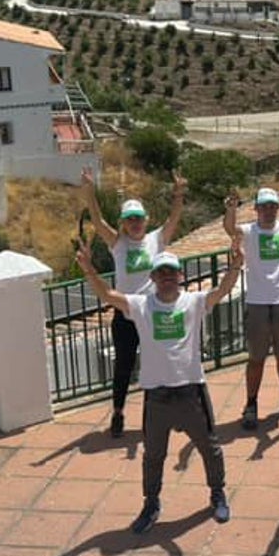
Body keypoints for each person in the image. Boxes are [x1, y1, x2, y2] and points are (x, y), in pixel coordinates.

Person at [75, 238, 242, 534]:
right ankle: (151, 504)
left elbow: (223, 290)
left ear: (180, 276)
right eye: (161, 272)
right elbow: (108, 294)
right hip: (157, 398)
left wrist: (237, 264)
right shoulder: (141, 305)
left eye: (171, 272)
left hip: (191, 392)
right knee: (153, 456)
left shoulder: (194, 301)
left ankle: (217, 493)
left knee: (210, 448)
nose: (166, 277)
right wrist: (89, 269)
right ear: (152, 278)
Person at [80, 166, 185, 437]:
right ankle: (118, 413)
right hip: (126, 315)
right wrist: (90, 191)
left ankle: (158, 415)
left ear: (146, 220)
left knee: (158, 365)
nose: (135, 223)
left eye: (138, 218)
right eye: (130, 219)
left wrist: (178, 193)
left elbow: (175, 218)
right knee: (123, 367)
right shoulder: (118, 243)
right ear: (123, 223)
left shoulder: (155, 240)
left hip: (151, 314)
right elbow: (97, 218)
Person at [224, 187, 279, 430]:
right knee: (256, 358)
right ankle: (251, 404)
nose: (267, 210)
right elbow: (231, 229)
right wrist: (231, 209)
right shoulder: (249, 231)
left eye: (272, 206)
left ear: (277, 208)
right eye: (263, 206)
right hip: (257, 303)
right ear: (255, 209)